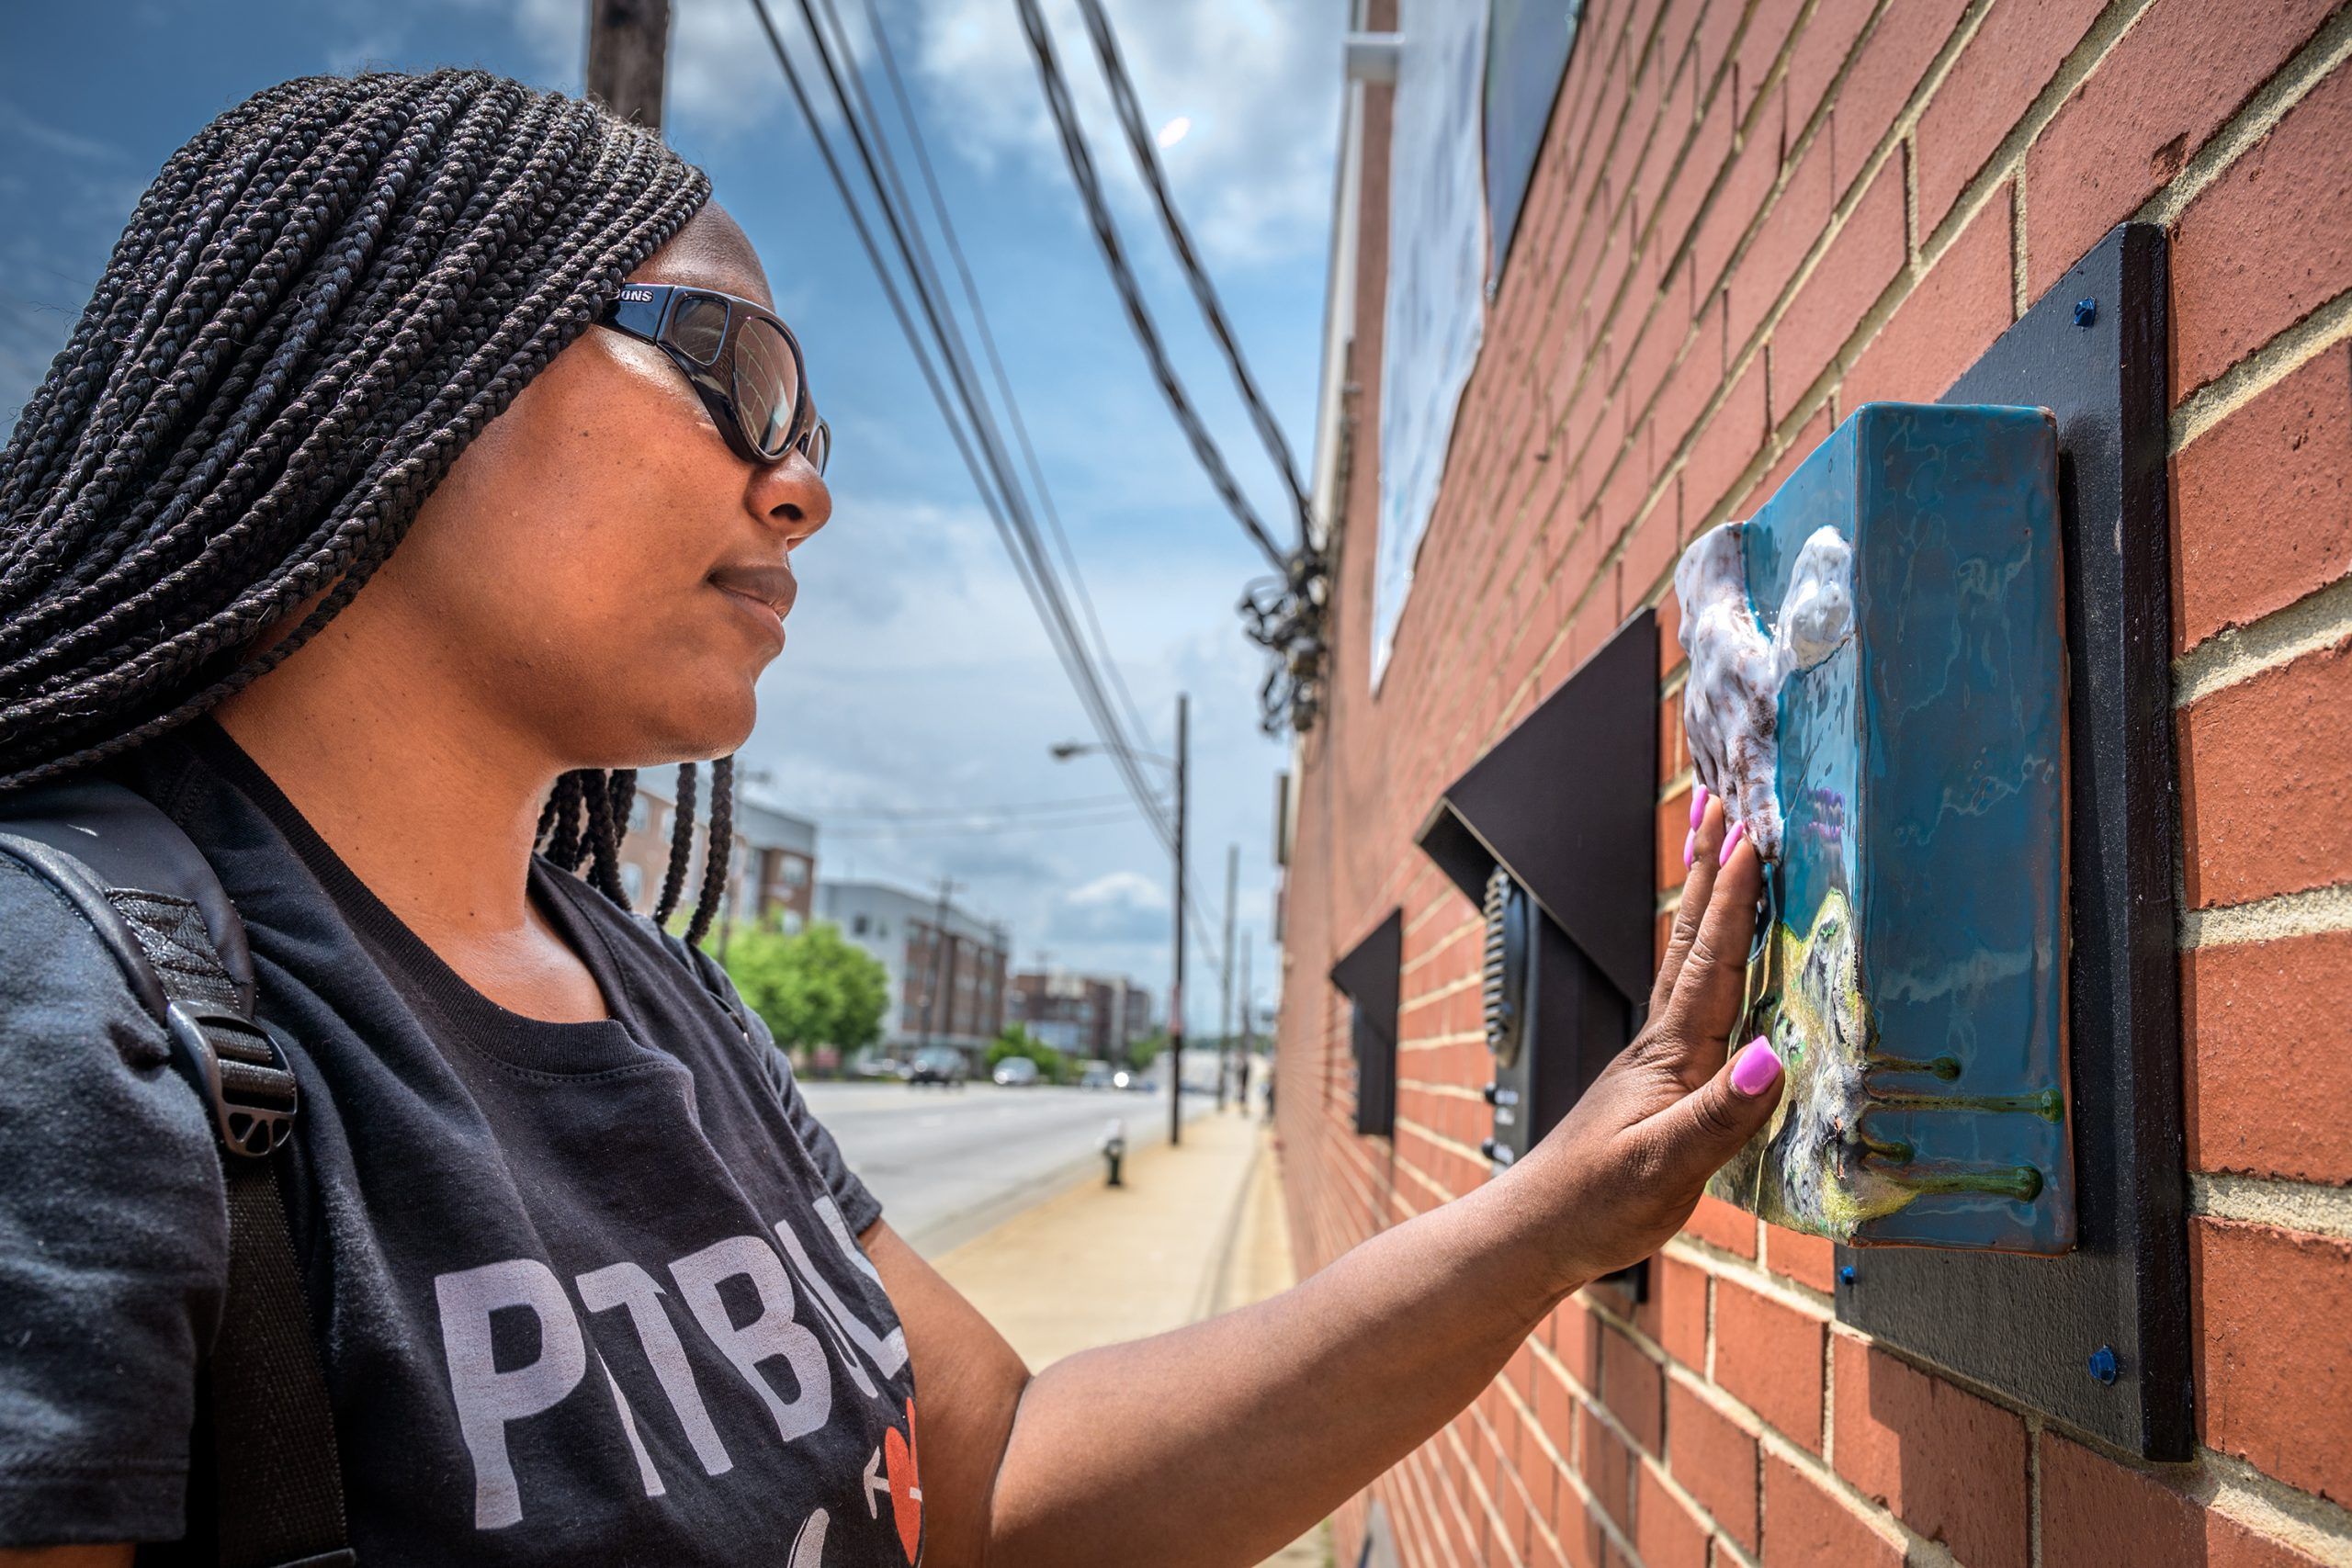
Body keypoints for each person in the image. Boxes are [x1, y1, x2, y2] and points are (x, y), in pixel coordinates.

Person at [0, 72, 1781, 1568]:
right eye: (736, 373)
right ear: (380, 356)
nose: (803, 486)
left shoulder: (655, 989)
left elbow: (992, 1481)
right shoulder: (65, 1012)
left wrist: (1552, 1215)